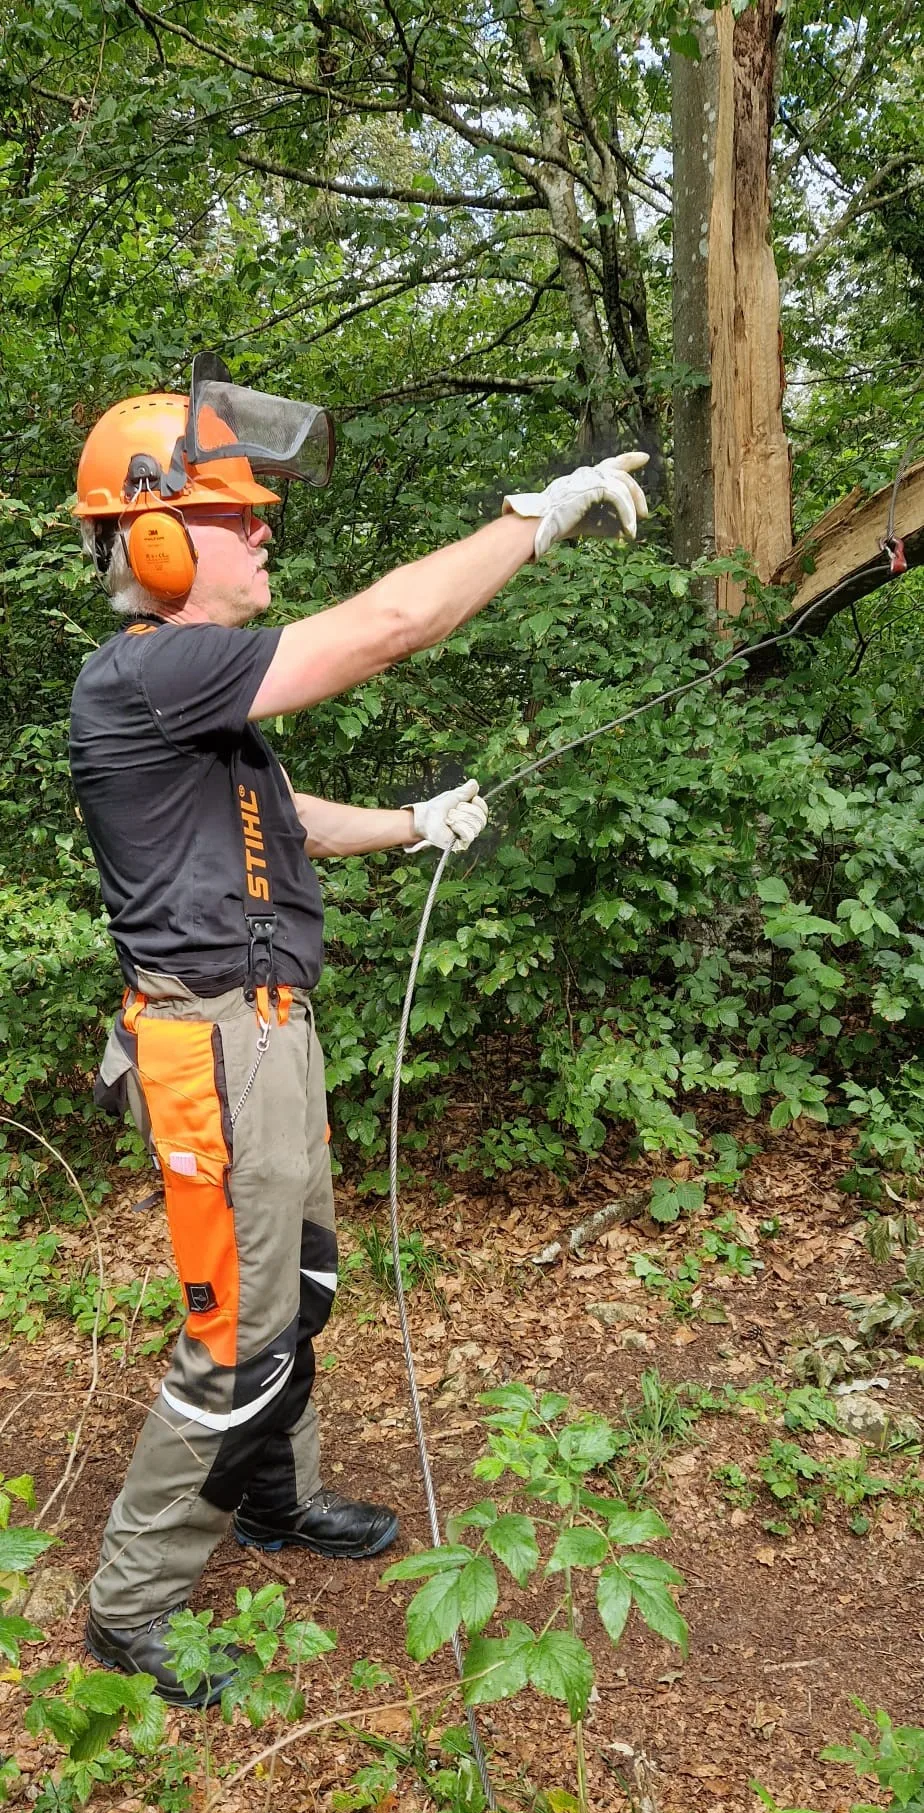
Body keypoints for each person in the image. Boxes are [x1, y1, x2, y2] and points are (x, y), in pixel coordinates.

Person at [69, 358, 648, 1705]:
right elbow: (387, 626)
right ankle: (133, 1601)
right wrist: (536, 519)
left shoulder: (199, 703)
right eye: (235, 510)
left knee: (299, 1289)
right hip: (210, 1047)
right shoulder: (146, 678)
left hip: (267, 1038)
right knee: (237, 1328)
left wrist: (415, 821)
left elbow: (283, 819)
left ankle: (275, 1496)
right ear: (156, 539)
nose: (265, 524)